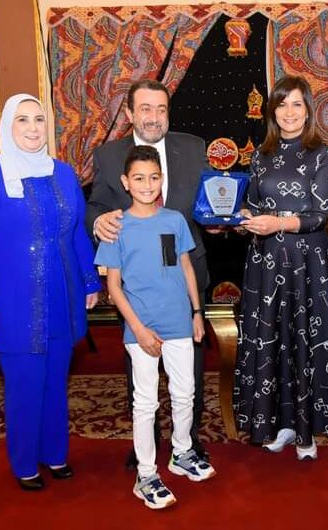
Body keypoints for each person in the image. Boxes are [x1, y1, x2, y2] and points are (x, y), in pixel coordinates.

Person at [0, 94, 101, 490]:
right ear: (8, 126)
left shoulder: (64, 173)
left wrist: (89, 281)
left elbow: (75, 233)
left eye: (39, 119)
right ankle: (24, 463)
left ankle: (55, 453)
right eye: (22, 120)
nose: (33, 128)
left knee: (56, 380)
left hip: (62, 294)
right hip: (13, 300)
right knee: (24, 383)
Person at [86, 79, 211, 465]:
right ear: (129, 113)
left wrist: (221, 218)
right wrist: (98, 222)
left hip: (185, 277)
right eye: (145, 109)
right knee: (140, 367)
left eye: (161, 109)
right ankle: (148, 442)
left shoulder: (193, 148)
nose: (154, 117)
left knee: (189, 369)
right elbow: (95, 205)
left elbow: (207, 203)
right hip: (137, 286)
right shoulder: (108, 156)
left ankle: (187, 442)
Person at [233, 75, 328, 459]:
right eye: (282, 104)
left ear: (308, 111)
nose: (289, 112)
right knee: (274, 341)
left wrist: (277, 223)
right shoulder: (260, 155)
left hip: (308, 264)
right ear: (272, 111)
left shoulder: (322, 154)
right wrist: (242, 218)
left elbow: (320, 215)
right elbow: (255, 205)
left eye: (297, 104)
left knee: (306, 341)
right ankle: (283, 425)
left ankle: (307, 432)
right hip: (266, 263)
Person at [95, 145, 215, 510]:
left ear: (162, 179)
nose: (147, 185)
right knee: (145, 403)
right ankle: (146, 474)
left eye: (153, 177)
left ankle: (182, 452)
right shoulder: (117, 227)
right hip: (141, 328)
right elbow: (114, 287)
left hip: (179, 322)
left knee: (185, 393)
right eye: (139, 178)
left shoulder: (174, 220)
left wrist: (197, 312)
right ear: (125, 182)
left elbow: (186, 267)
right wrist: (139, 329)